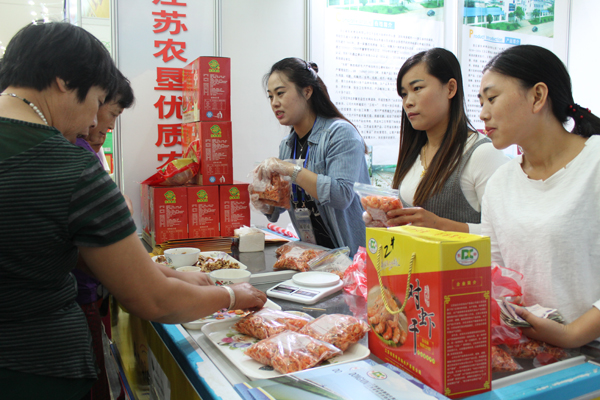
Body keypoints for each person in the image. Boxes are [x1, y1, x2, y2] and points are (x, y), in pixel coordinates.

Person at [0, 22, 266, 400]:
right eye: (96, 101)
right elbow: (151, 299)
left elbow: (59, 251)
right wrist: (232, 296)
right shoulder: (68, 165)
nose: (93, 123)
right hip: (37, 373)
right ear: (63, 81)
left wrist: (165, 273)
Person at [479, 44, 600, 346]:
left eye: (492, 98)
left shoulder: (595, 163)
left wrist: (572, 334)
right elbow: (495, 275)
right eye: (481, 102)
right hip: (530, 352)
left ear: (537, 96)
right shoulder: (500, 183)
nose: (483, 114)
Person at [364, 48, 508, 234]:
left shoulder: (482, 153)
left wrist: (440, 225)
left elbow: (506, 234)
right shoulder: (414, 152)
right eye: (404, 94)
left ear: (450, 88)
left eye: (417, 89)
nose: (408, 102)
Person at [251, 57, 370, 255]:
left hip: (351, 257)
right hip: (314, 255)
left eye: (280, 93)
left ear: (307, 92)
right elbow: (282, 204)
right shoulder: (287, 145)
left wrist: (292, 170)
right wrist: (264, 201)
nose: (275, 103)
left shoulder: (340, 133)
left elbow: (341, 195)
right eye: (270, 96)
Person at [72, 70, 135, 400]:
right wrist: (228, 297)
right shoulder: (75, 152)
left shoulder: (85, 149)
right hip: (81, 294)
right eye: (108, 111)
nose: (105, 128)